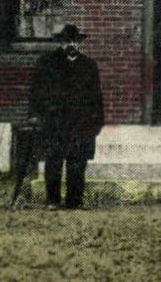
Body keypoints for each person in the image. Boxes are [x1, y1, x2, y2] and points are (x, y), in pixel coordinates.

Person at [27, 22, 105, 210]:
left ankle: (74, 201)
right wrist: (36, 115)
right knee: (54, 160)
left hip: (80, 122)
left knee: (77, 162)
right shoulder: (47, 63)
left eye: (74, 41)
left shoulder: (88, 65)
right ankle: (52, 200)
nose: (71, 45)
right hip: (55, 121)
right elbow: (36, 92)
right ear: (60, 43)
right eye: (66, 41)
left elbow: (96, 96)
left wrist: (97, 122)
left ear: (79, 43)